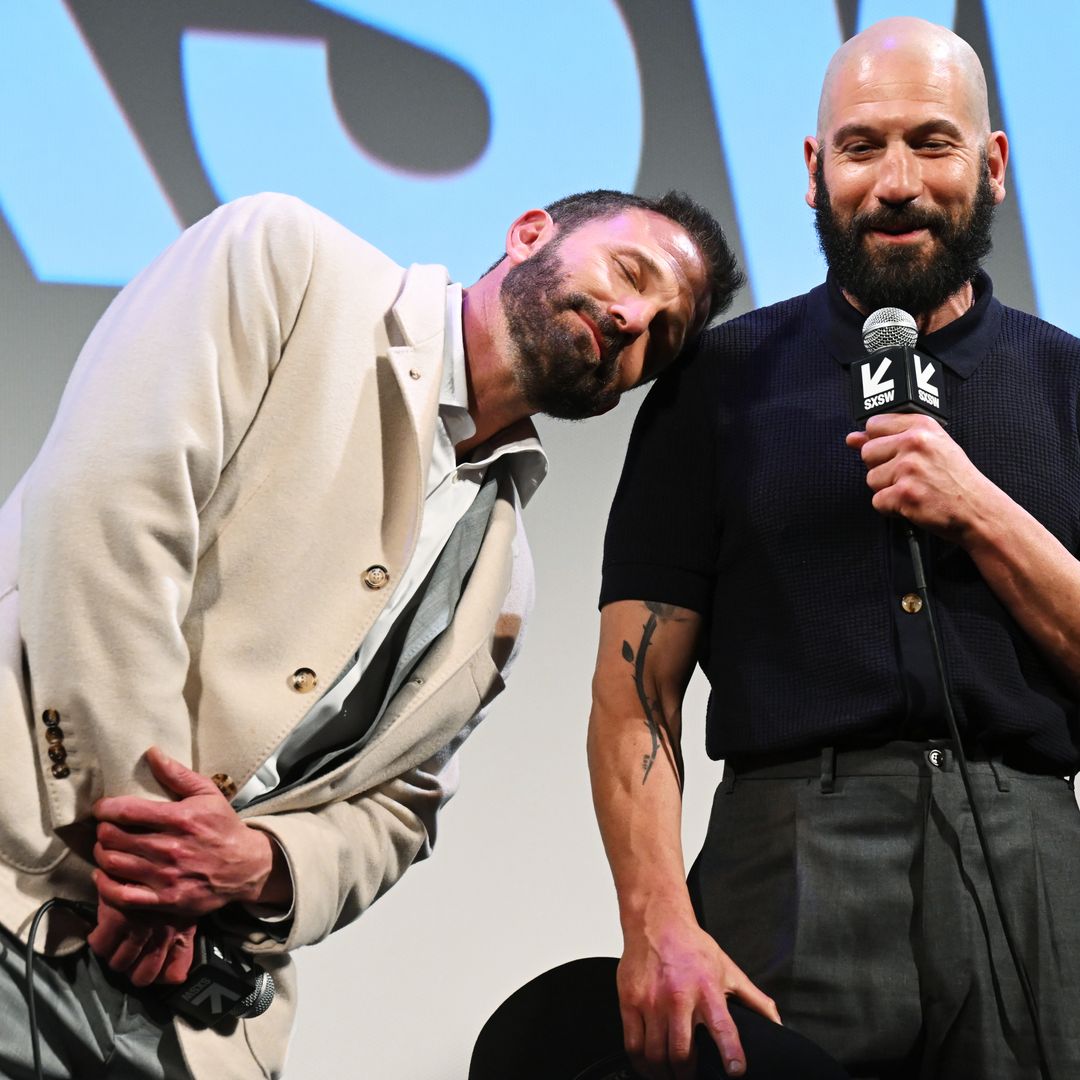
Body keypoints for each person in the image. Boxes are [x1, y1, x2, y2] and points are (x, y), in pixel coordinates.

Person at [0, 186, 740, 1079]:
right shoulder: (286, 264)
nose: (631, 319)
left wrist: (259, 864)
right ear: (529, 229)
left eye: (661, 335)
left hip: (198, 1021)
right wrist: (151, 856)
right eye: (630, 272)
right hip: (24, 881)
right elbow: (107, 523)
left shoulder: (508, 579)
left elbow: (403, 810)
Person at [589, 17, 1080, 1080]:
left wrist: (979, 508)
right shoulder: (717, 386)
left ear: (993, 166)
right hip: (787, 846)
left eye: (931, 144)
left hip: (1032, 852)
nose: (895, 182)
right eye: (861, 148)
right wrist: (654, 921)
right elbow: (635, 696)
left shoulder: (1067, 385)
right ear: (815, 174)